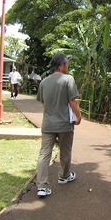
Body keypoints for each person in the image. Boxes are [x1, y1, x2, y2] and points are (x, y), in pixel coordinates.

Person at [35, 54, 82, 198]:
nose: (67, 66)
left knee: (44, 154)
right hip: (65, 124)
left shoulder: (44, 82)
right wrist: (79, 116)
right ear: (61, 65)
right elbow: (72, 101)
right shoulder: (68, 79)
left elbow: (44, 103)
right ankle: (64, 176)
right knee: (65, 151)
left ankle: (42, 186)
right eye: (66, 64)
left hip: (48, 123)